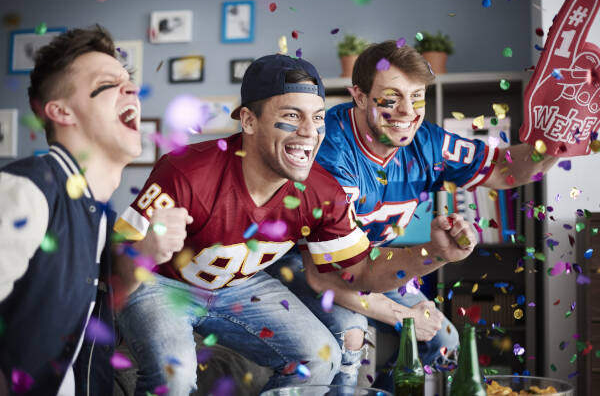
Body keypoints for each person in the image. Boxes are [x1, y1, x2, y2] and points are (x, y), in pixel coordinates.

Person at [112, 54, 478, 395]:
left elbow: (360, 270)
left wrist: (433, 252)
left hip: (239, 285)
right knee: (175, 378)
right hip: (163, 283)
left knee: (320, 358)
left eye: (317, 117)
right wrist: (144, 250)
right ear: (249, 121)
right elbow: (117, 254)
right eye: (292, 116)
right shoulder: (186, 171)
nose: (309, 132)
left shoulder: (321, 190)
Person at [268, 40, 560, 391]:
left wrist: (560, 140)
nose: (408, 111)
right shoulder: (328, 152)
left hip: (371, 261)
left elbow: (504, 170)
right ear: (359, 96)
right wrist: (405, 316)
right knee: (351, 336)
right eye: (391, 99)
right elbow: (327, 277)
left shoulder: (428, 143)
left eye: (417, 96)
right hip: (303, 262)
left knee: (444, 340)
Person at [0, 25, 142, 395]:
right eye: (109, 83)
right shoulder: (29, 190)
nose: (132, 89)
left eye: (129, 81)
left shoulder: (100, 215)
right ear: (61, 111)